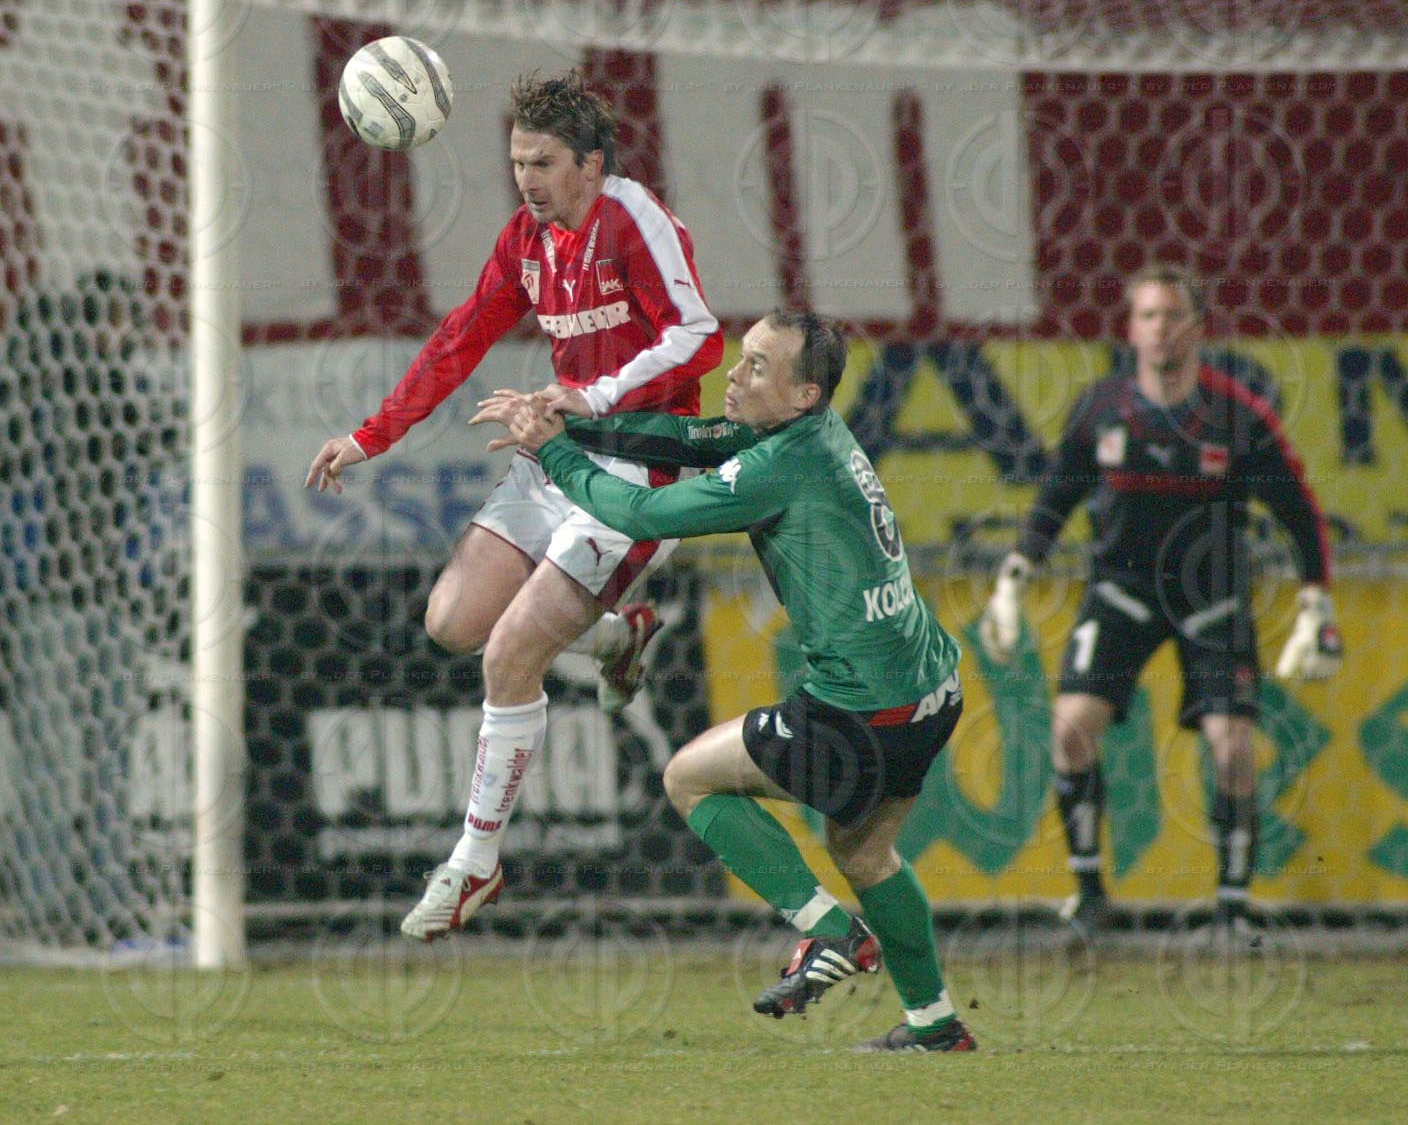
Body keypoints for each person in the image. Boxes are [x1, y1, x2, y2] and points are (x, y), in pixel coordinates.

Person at [472, 311, 976, 1054]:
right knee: (866, 854)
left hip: (861, 715)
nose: (736, 377)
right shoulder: (812, 434)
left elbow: (640, 510)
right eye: (742, 360)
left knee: (690, 780)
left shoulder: (777, 467)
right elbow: (688, 439)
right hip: (931, 689)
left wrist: (553, 455)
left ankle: (832, 932)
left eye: (758, 368)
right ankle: (935, 1025)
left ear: (804, 393)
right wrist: (576, 417)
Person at [304, 69, 723, 941]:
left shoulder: (631, 218)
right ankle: (619, 635)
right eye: (517, 162)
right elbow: (461, 338)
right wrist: (368, 437)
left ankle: (474, 864)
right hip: (555, 456)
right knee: (452, 623)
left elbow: (698, 336)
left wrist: (594, 396)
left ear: (591, 164)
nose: (526, 179)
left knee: (509, 655)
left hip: (636, 474)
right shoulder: (528, 243)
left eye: (542, 162)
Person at [980, 265, 1343, 936]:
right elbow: (1058, 495)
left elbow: (1298, 509)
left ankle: (1231, 908)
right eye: (1148, 316)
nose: (1160, 330)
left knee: (1232, 746)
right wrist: (1014, 576)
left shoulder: (1237, 414)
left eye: (1173, 315)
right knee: (1069, 728)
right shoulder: (1100, 408)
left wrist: (1316, 602)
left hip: (1211, 597)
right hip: (1121, 590)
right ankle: (1090, 895)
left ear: (1199, 328)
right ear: (1130, 329)